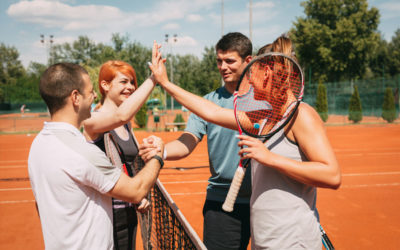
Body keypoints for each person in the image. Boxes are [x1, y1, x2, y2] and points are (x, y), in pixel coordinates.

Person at [147, 34, 341, 249]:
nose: (248, 81)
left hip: (292, 240)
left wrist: (269, 158)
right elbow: (211, 112)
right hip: (266, 239)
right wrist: (164, 83)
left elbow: (332, 175)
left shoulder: (301, 114)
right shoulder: (265, 116)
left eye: (252, 72)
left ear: (266, 72)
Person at [28, 62, 164, 250]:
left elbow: (40, 205)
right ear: (75, 97)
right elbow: (136, 190)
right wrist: (158, 157)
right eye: (91, 91)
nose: (94, 96)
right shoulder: (82, 152)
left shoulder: (39, 144)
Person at [143, 33, 253, 250]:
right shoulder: (208, 102)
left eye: (230, 61)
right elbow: (187, 141)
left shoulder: (266, 99)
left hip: (264, 200)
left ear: (248, 61)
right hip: (222, 203)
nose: (223, 67)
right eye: (219, 61)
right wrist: (162, 149)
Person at [82, 60, 156, 250]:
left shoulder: (126, 125)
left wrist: (140, 196)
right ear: (105, 85)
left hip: (128, 212)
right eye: (124, 82)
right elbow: (121, 115)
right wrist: (154, 78)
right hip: (105, 215)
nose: (130, 87)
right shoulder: (92, 120)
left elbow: (130, 166)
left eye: (132, 82)